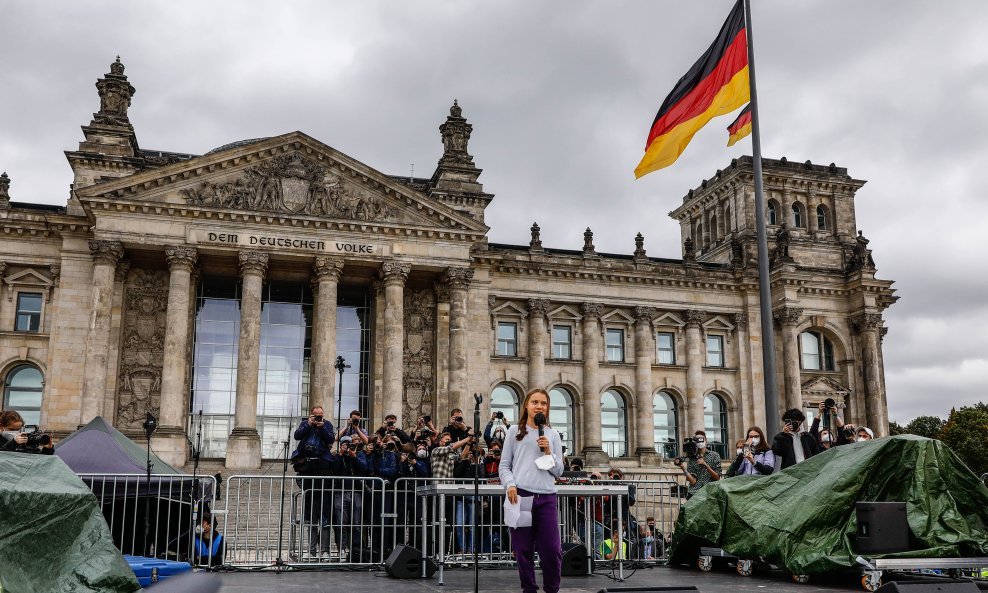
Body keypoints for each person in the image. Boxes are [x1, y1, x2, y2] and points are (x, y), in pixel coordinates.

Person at [499, 388, 564, 593]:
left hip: (546, 498)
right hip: (521, 497)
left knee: (552, 551)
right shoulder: (513, 432)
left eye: (543, 403)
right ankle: (529, 589)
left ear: (547, 408)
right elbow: (504, 465)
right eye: (535, 402)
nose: (539, 406)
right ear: (526, 405)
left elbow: (558, 471)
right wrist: (510, 484)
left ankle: (552, 589)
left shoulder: (552, 434)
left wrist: (548, 451)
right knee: (523, 550)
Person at [290, 405, 336, 560]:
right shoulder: (305, 423)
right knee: (310, 514)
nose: (318, 418)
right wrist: (308, 424)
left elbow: (331, 439)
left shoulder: (327, 424)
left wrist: (322, 427)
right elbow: (297, 436)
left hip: (323, 468)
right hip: (307, 469)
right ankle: (311, 550)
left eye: (320, 416)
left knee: (324, 513)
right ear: (311, 415)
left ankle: (324, 550)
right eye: (316, 416)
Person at [674, 430, 721, 499]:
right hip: (694, 494)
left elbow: (717, 478)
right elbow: (693, 481)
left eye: (701, 440)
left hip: (710, 494)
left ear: (706, 440)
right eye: (697, 440)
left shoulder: (714, 455)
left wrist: (705, 465)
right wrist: (683, 468)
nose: (699, 442)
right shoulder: (691, 457)